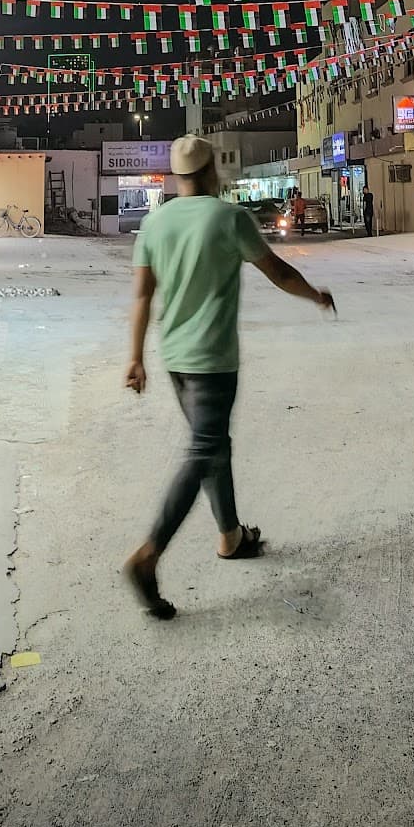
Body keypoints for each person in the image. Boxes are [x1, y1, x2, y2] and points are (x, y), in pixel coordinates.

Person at [123, 134, 334, 619]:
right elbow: (278, 272)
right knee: (204, 449)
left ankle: (230, 536)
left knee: (214, 445)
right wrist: (316, 296)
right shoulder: (230, 218)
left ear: (178, 177)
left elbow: (141, 297)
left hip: (175, 359)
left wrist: (135, 358)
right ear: (212, 172)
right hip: (213, 359)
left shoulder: (154, 224)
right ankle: (149, 553)